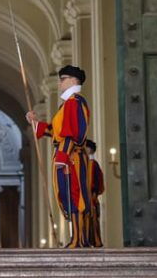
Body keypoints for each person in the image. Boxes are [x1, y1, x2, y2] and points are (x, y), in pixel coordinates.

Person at [26, 65, 91, 248]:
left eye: (62, 79)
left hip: (71, 157)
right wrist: (35, 123)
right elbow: (55, 131)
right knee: (67, 195)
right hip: (65, 155)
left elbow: (72, 133)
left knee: (75, 196)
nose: (60, 82)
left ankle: (79, 239)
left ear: (73, 81)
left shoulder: (74, 102)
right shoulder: (67, 104)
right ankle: (77, 238)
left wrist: (63, 155)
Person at [85, 139, 105, 248]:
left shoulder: (93, 164)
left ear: (89, 150)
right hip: (88, 196)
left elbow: (96, 182)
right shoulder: (88, 164)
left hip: (91, 197)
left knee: (92, 221)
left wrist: (93, 194)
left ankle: (95, 241)